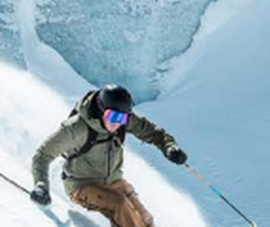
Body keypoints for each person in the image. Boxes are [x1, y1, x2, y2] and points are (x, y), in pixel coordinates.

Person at [29, 84, 187, 227]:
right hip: (82, 186)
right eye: (114, 117)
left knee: (145, 219)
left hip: (114, 181)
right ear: (101, 109)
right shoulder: (76, 129)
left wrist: (169, 147)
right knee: (119, 204)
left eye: (123, 118)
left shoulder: (122, 120)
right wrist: (41, 185)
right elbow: (42, 155)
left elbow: (153, 132)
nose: (118, 122)